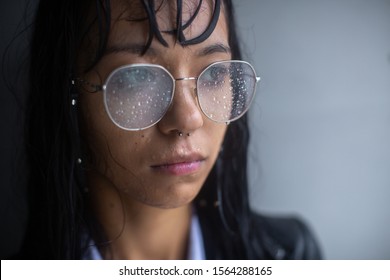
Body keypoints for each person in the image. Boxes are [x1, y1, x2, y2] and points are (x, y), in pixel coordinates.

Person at [14, 0, 321, 259]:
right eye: (137, 78)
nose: (188, 119)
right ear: (68, 93)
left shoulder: (288, 255)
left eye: (214, 75)